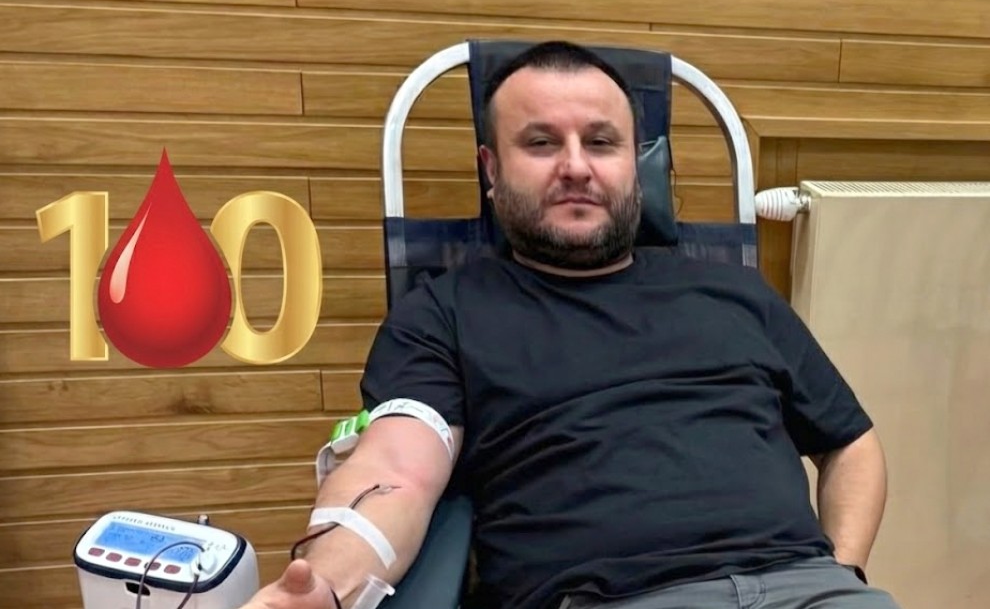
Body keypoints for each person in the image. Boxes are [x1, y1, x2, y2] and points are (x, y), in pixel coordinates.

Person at [241, 41, 900, 609]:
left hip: (812, 589)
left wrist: (842, 573)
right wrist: (328, 585)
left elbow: (851, 442)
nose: (577, 166)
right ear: (492, 170)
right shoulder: (443, 314)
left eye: (602, 142)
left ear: (636, 166)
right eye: (541, 142)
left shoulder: (734, 293)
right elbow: (395, 472)